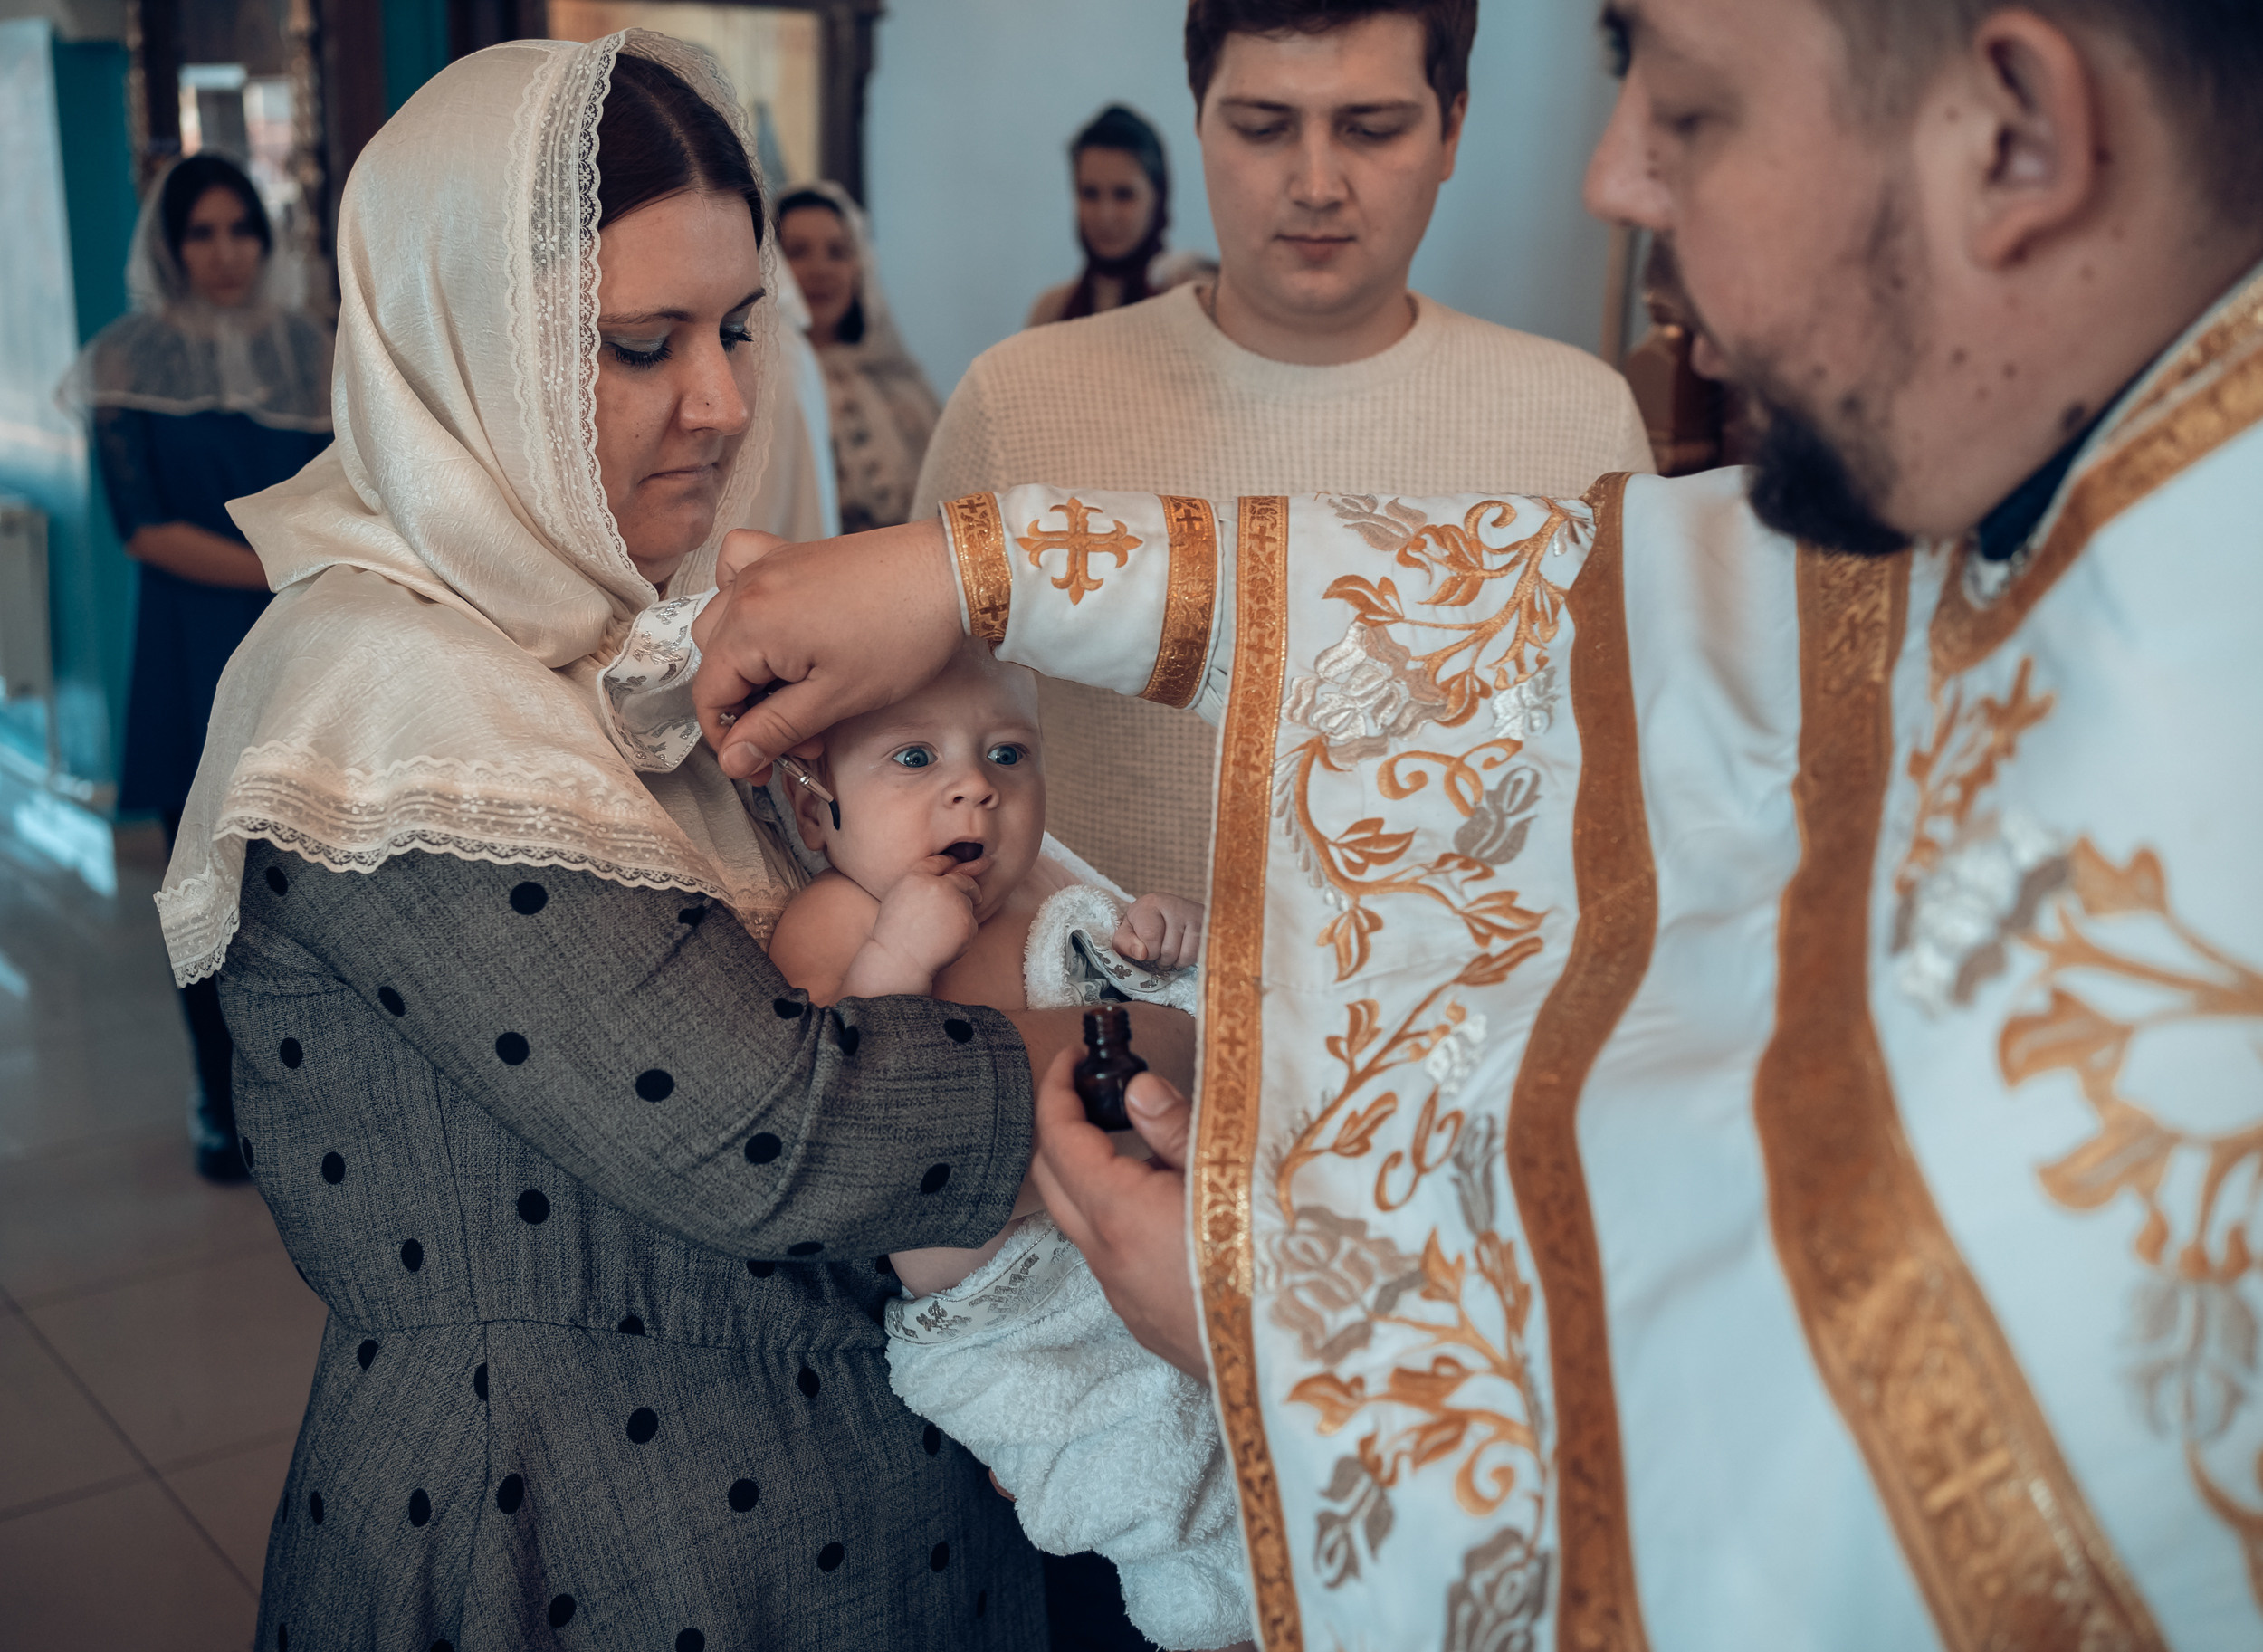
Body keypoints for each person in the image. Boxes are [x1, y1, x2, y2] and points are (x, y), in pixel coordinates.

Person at [691, 0, 2263, 1643]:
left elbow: (1851, 1509)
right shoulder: (2075, 505)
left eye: (1691, 110)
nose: (1613, 181)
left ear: (2015, 136)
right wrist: (978, 566)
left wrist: (1275, 1341)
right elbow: (1567, 611)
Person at [155, 33, 1189, 1649]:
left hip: (876, 1524)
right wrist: (1164, 1053)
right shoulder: (381, 702)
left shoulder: (653, 636)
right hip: (573, 1531)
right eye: (642, 344)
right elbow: (772, 1132)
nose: (721, 402)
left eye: (738, 328)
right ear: (468, 342)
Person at [915, 0, 1653, 906]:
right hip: (1076, 988)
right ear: (1200, 119)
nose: (1315, 183)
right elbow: (908, 776)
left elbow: (1622, 800)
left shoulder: (1580, 423)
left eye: (1370, 129)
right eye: (1263, 128)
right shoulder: (1018, 402)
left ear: (1451, 130)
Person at [761, 639, 1247, 1650]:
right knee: (1145, 1482)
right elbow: (838, 1091)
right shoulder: (837, 914)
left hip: (1127, 1240)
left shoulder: (1053, 899)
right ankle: (1211, 1611)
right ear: (816, 815)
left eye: (1008, 755)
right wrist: (898, 951)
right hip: (1006, 1304)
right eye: (914, 758)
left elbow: (1178, 1009)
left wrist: (1165, 936)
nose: (975, 789)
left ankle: (1278, 1585)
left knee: (1246, 1439)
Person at [61, 150, 332, 1182]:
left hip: (301, 642)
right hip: (191, 642)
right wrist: (280, 567)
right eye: (202, 232)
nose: (224, 252)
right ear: (171, 247)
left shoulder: (311, 351)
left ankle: (311, 1094)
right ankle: (217, 1096)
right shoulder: (124, 359)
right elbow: (142, 527)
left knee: (308, 886)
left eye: (240, 229)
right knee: (205, 890)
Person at [775, 182, 941, 533]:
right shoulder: (766, 387)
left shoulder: (901, 386)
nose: (820, 269)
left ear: (859, 266)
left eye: (837, 252)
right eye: (798, 252)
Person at [1026, 104, 1212, 329]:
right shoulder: (1051, 311)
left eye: (1124, 195)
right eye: (1090, 194)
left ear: (1158, 197)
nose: (1105, 215)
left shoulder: (1194, 299)